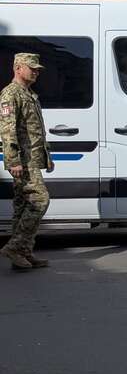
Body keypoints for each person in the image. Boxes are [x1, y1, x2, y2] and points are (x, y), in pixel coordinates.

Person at [0, 53, 53, 271]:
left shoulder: (28, 94)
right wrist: (13, 161)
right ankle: (15, 247)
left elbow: (34, 129)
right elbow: (7, 130)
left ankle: (23, 253)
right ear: (18, 68)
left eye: (38, 69)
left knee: (22, 206)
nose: (36, 72)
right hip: (23, 159)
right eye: (32, 68)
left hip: (31, 158)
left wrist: (46, 156)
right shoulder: (10, 94)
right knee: (40, 199)